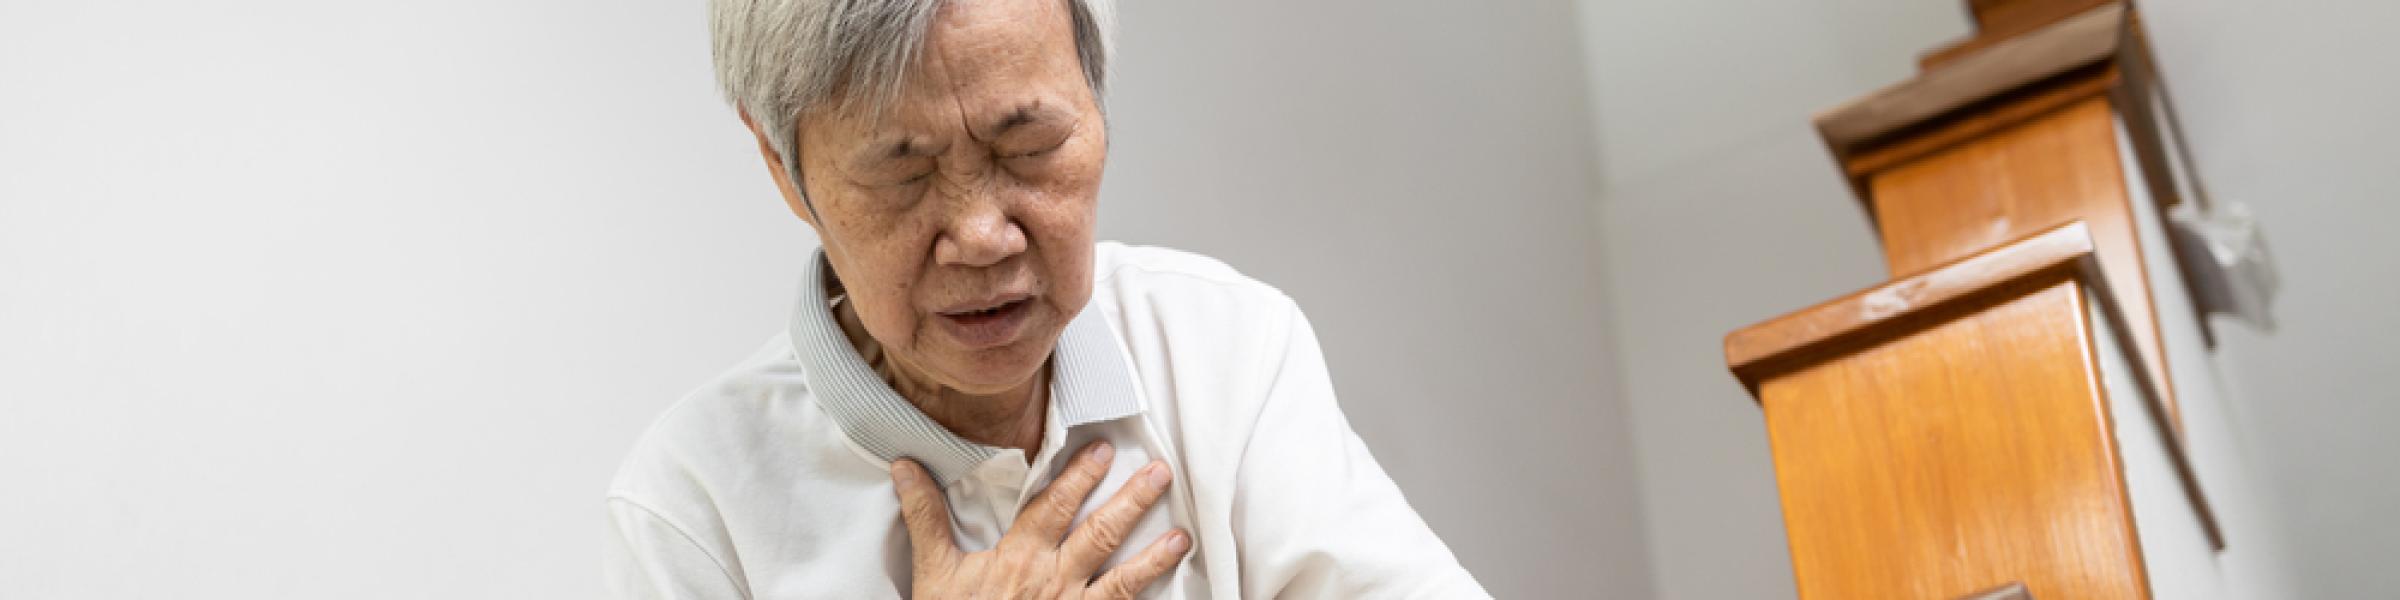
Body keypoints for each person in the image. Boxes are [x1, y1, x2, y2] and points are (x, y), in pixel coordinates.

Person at [603, 0, 1487, 597]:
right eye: (901, 172)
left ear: (1098, 104)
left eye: (1028, 146)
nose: (982, 234)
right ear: (782, 169)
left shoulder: (1222, 347)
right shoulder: (694, 501)